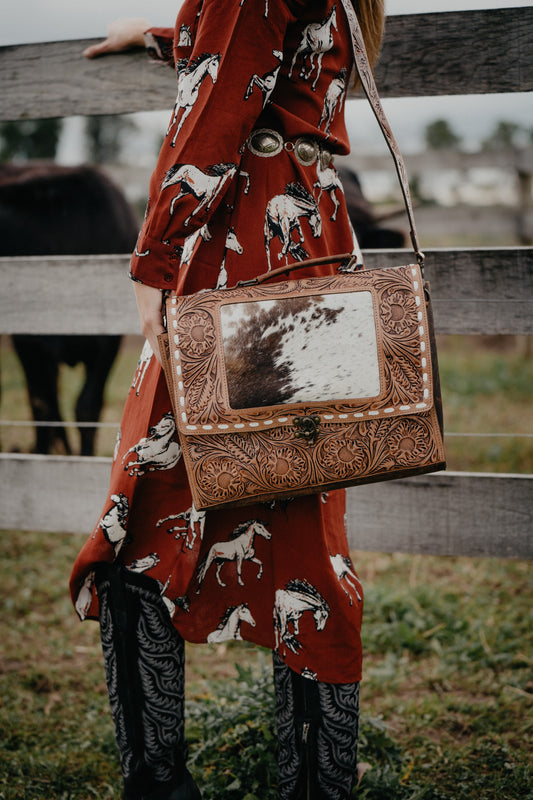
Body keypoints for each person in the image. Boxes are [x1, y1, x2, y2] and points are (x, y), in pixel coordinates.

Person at [70, 2, 385, 798]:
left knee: (146, 509)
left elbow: (217, 107)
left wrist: (155, 259)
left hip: (235, 247)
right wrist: (167, 36)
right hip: (304, 240)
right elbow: (273, 52)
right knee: (302, 520)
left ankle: (158, 784)